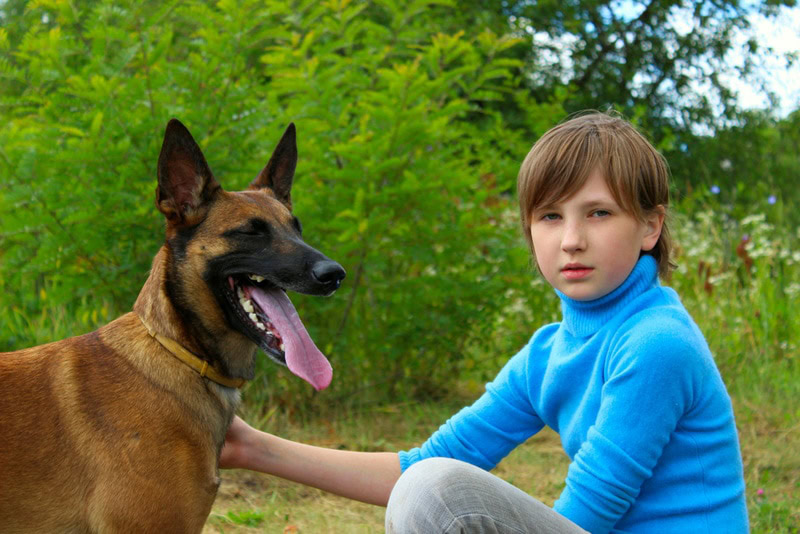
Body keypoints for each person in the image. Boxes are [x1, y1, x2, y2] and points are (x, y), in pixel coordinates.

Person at [219, 111, 748, 533]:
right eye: (550, 216)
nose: (571, 240)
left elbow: (582, 519)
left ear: (651, 226)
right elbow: (422, 462)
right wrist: (252, 447)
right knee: (424, 485)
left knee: (437, 492)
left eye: (599, 213)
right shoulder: (550, 353)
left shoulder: (655, 343)